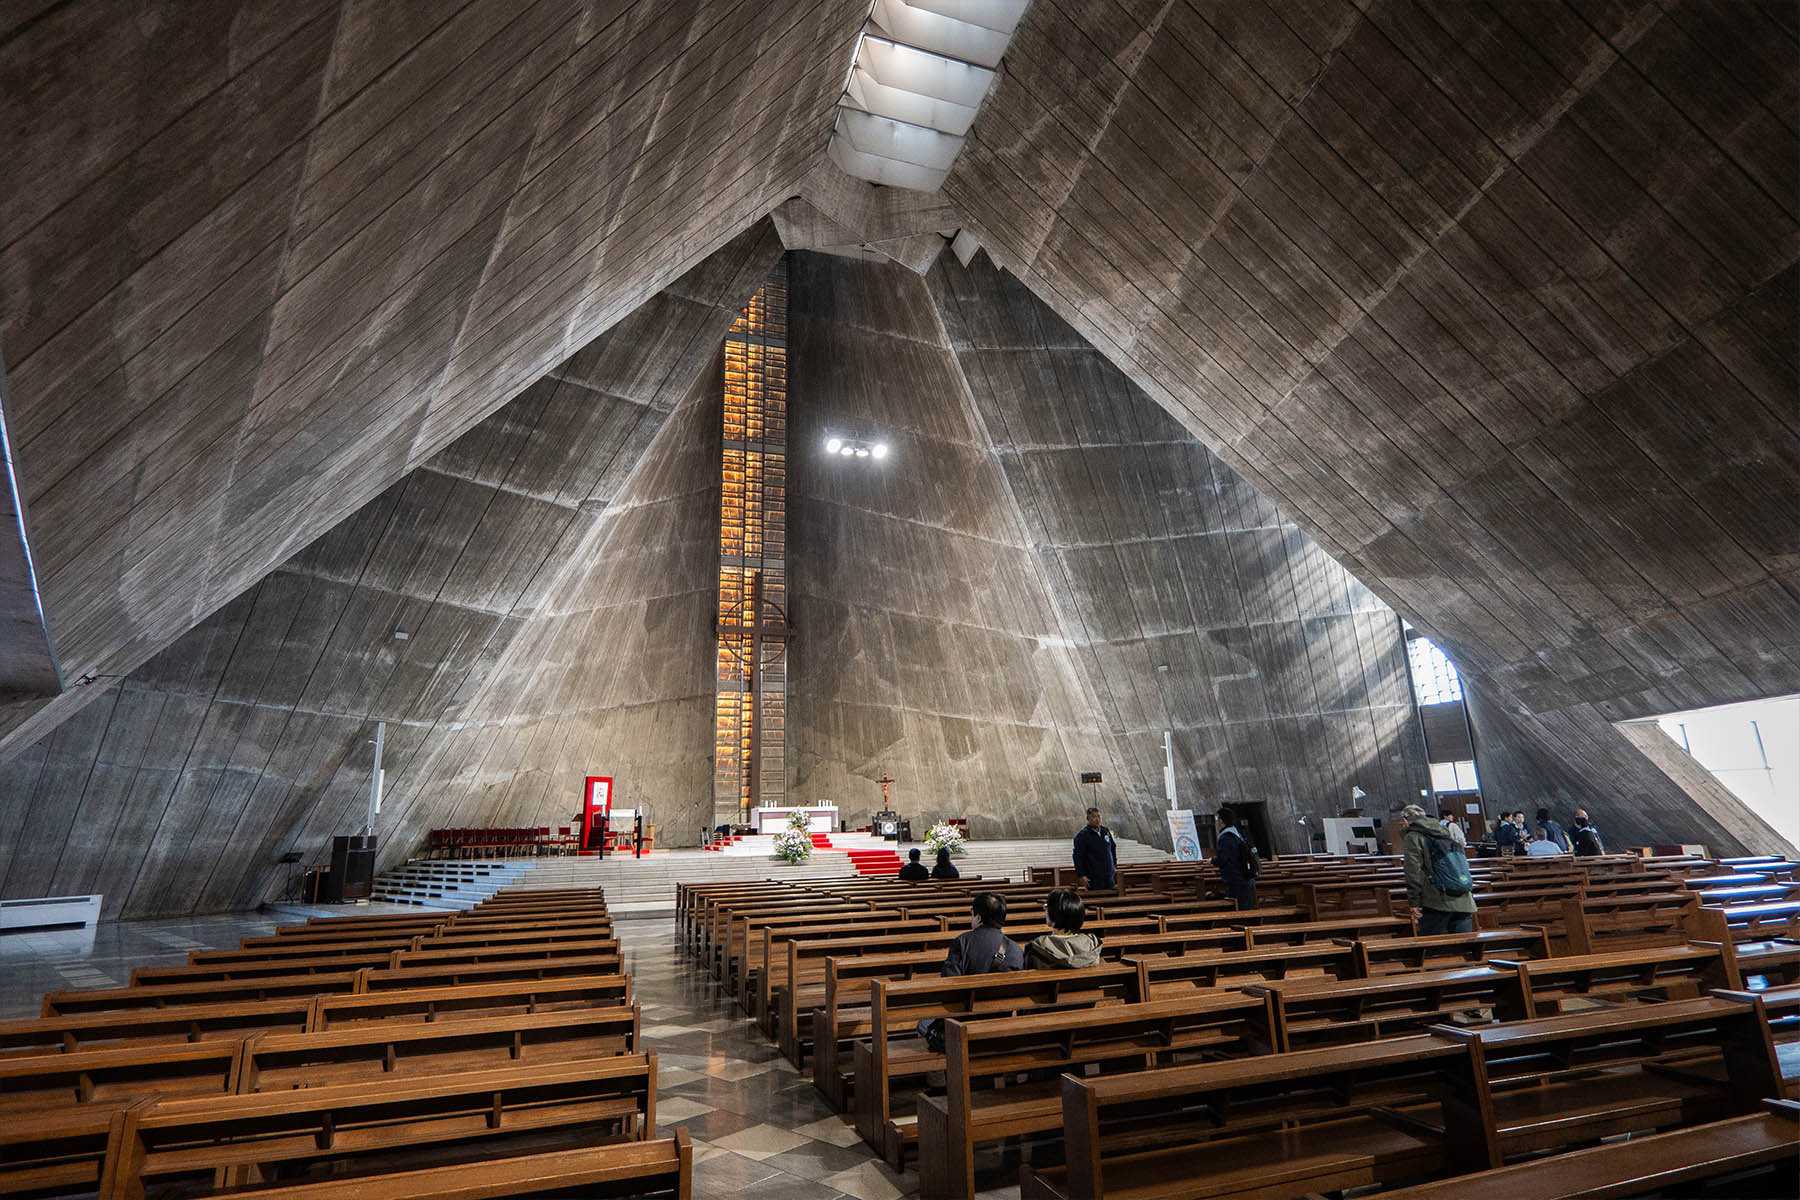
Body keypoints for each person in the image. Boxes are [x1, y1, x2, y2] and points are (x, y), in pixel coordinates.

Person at [920, 892, 1022, 1049]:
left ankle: (939, 1072)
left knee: (923, 1024)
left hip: (965, 1024)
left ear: (979, 918)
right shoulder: (1015, 948)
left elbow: (949, 987)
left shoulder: (962, 942)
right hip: (1001, 1022)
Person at [1401, 803, 1477, 934]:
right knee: (1465, 947)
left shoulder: (1413, 837)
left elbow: (1413, 871)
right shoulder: (1444, 832)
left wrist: (1414, 901)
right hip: (1464, 898)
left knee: (1432, 949)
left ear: (1405, 821)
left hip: (1436, 900)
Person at [1026, 888, 1102, 968]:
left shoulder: (1039, 946)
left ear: (1054, 914)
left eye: (1047, 907)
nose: (1046, 910)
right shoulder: (1091, 944)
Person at [1213, 806, 1256, 910]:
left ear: (1221, 821)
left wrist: (1212, 860)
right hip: (1245, 877)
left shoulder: (1226, 837)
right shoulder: (1237, 834)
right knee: (1246, 907)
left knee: (1240, 909)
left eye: (1217, 819)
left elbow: (1223, 859)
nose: (1217, 822)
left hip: (1237, 879)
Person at [1072, 807, 1118, 890]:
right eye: (1093, 817)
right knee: (1097, 899)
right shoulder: (1083, 835)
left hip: (1109, 875)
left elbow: (1113, 847)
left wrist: (1114, 864)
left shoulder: (1105, 831)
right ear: (1088, 818)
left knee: (1112, 898)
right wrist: (1081, 875)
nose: (1097, 819)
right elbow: (1077, 856)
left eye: (1098, 816)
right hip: (1094, 877)